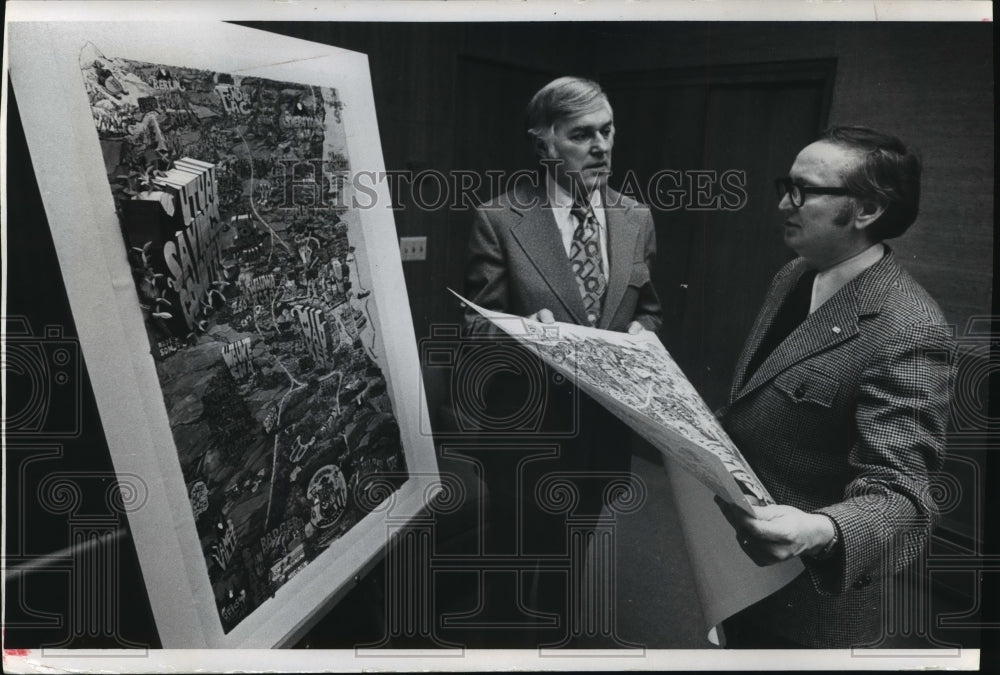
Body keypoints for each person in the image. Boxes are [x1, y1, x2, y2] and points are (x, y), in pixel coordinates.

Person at [714, 126, 954, 648]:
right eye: (787, 185)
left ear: (865, 210)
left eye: (803, 190)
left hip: (810, 603)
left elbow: (904, 496)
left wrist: (818, 530)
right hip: (740, 571)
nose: (784, 203)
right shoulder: (796, 273)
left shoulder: (908, 328)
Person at [461, 76, 662, 644]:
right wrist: (528, 339)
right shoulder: (500, 218)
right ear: (545, 144)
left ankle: (553, 642)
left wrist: (644, 334)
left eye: (608, 130)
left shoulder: (635, 218)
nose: (602, 146)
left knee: (569, 560)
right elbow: (476, 326)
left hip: (601, 434)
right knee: (516, 564)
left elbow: (650, 307)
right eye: (582, 135)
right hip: (527, 436)